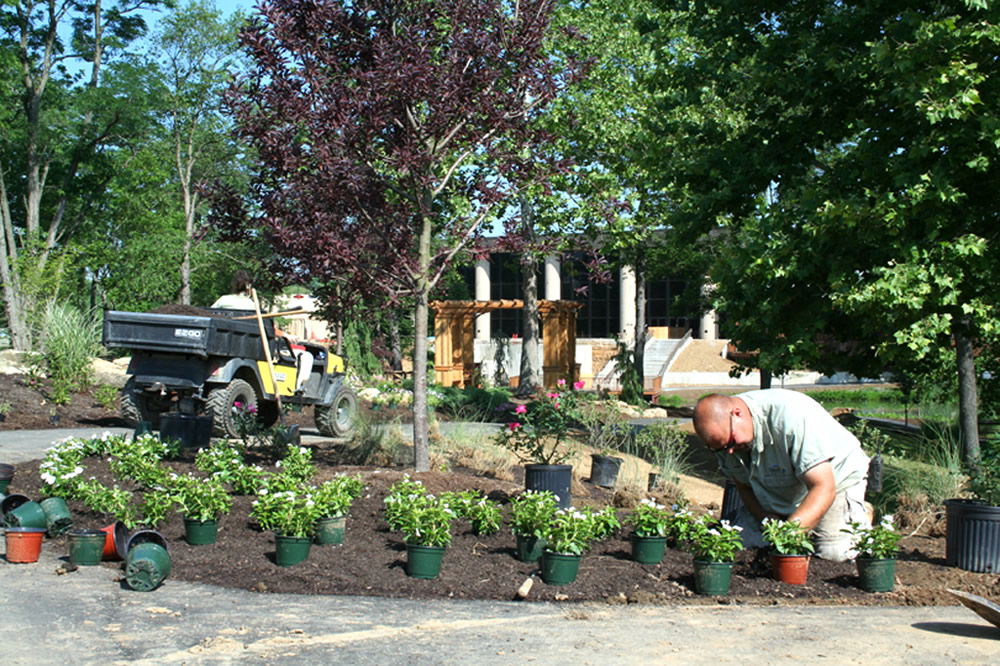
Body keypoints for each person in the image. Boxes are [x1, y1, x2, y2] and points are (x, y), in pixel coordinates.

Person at [693, 389, 871, 562]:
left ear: (738, 414)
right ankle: (800, 518)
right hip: (779, 485)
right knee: (743, 547)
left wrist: (786, 537)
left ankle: (859, 512)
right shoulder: (725, 439)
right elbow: (743, 486)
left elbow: (823, 487)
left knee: (834, 554)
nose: (729, 451)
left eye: (731, 442)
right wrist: (766, 520)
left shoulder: (792, 417)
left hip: (835, 480)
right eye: (720, 449)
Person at [212, 271, 313, 393]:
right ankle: (298, 388)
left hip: (220, 343)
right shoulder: (251, 305)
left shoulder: (223, 300)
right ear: (249, 286)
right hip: (250, 346)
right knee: (307, 357)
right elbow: (266, 328)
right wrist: (286, 335)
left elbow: (211, 316)